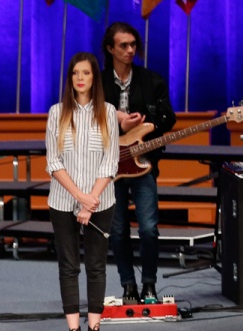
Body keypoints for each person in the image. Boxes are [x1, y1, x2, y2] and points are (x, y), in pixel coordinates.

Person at [45, 51, 119, 331]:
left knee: (97, 267)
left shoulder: (109, 112)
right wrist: (80, 198)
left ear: (94, 78)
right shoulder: (57, 112)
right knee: (69, 267)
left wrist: (91, 200)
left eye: (86, 73)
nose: (80, 78)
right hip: (63, 201)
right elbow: (53, 162)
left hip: (101, 200)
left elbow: (111, 162)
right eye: (75, 73)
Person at [101, 21, 175, 306]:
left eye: (133, 45)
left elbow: (169, 118)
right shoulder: (98, 82)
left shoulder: (151, 80)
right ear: (110, 48)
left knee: (148, 228)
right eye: (124, 45)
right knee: (118, 228)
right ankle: (128, 285)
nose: (130, 50)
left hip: (143, 163)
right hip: (109, 164)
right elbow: (86, 119)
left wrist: (144, 124)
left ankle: (149, 284)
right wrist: (118, 121)